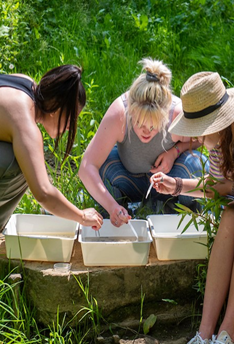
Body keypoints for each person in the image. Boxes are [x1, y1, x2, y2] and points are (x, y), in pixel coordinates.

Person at [150, 71, 234, 344]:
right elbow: (219, 188)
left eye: (201, 128)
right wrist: (178, 185)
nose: (197, 136)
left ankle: (227, 335)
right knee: (233, 213)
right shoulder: (222, 140)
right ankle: (205, 336)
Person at [0, 65, 103, 254]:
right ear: (56, 107)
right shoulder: (22, 116)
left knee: (24, 157)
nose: (69, 127)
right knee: (21, 162)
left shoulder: (26, 85)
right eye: (71, 118)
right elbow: (43, 192)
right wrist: (82, 216)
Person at [78, 58, 208, 227]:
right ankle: (118, 212)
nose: (146, 131)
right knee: (105, 165)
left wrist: (175, 151)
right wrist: (111, 206)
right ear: (130, 111)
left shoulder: (176, 113)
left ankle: (179, 214)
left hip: (169, 183)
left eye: (154, 126)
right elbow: (87, 166)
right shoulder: (119, 112)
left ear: (165, 115)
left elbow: (201, 141)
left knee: (195, 162)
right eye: (139, 123)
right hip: (130, 178)